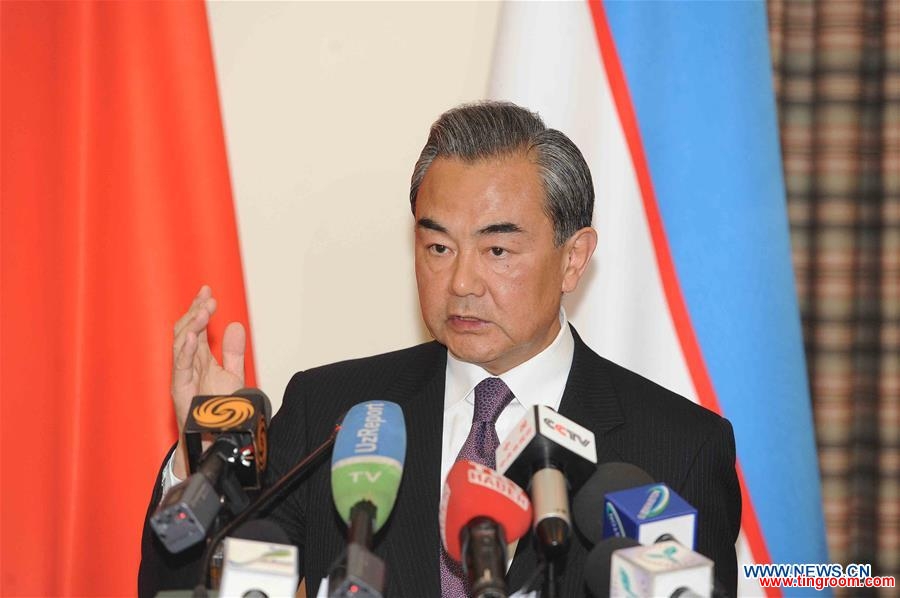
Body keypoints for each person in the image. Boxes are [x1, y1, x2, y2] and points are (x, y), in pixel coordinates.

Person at [139, 101, 741, 597]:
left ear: (573, 259)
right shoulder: (332, 412)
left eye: (497, 251)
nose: (460, 283)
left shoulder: (678, 448)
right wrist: (211, 458)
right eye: (438, 248)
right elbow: (190, 583)